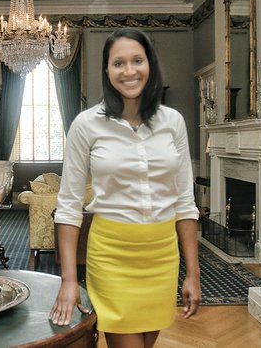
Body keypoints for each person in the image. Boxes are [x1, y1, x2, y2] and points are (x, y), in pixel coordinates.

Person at [49, 28, 201, 348]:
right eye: (119, 63)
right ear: (107, 69)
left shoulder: (173, 122)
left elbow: (185, 202)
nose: (129, 71)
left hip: (162, 254)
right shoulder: (86, 125)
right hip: (112, 254)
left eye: (137, 61)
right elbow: (68, 206)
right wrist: (69, 280)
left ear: (150, 65)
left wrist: (193, 272)